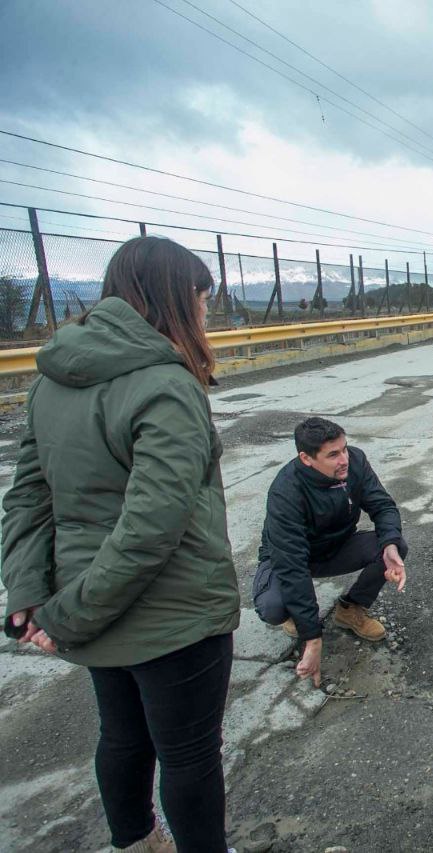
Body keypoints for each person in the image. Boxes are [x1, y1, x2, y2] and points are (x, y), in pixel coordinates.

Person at [1, 236, 240, 852]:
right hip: (172, 613)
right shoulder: (166, 384)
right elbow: (152, 527)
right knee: (189, 754)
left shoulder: (50, 380)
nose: (206, 312)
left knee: (123, 736)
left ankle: (135, 843)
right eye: (202, 299)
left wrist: (31, 596)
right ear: (173, 299)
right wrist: (64, 616)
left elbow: (28, 498)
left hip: (93, 607)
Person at [253, 417, 408, 687]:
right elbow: (292, 565)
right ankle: (296, 616)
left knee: (392, 546)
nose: (344, 459)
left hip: (336, 547)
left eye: (344, 449)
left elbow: (382, 506)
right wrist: (311, 636)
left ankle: (350, 609)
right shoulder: (286, 492)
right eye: (333, 454)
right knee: (273, 607)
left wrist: (390, 546)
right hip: (290, 557)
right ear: (306, 458)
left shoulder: (355, 462)